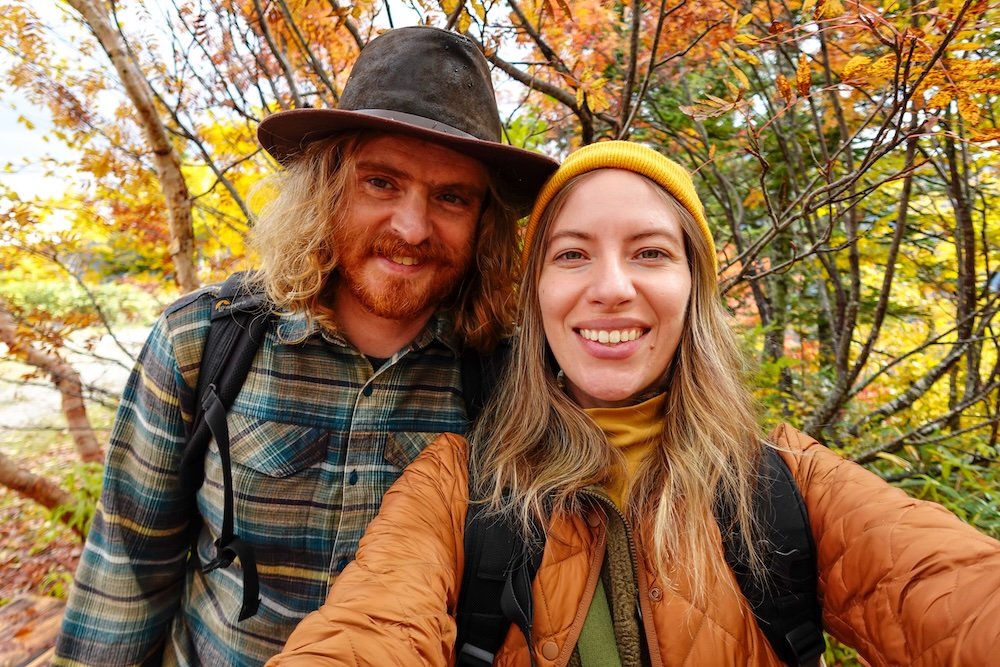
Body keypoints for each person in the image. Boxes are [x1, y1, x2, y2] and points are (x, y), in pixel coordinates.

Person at [266, 141, 1000, 666]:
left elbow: (946, 588)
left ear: (692, 288)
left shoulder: (788, 484)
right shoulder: (455, 485)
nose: (611, 286)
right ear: (538, 297)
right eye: (573, 253)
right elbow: (371, 625)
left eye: (649, 252)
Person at [53, 26, 557, 666]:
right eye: (381, 182)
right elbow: (125, 575)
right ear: (328, 185)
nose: (411, 227)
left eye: (451, 197)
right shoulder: (203, 342)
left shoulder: (514, 380)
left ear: (483, 220)